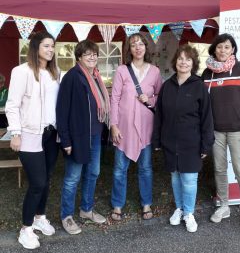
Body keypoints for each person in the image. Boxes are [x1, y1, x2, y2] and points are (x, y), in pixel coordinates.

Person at [5, 31, 60, 249]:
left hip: (51, 133)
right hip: (29, 134)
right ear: (36, 47)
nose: (50, 50)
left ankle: (39, 217)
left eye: (52, 46)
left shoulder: (55, 73)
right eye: (46, 46)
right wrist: (16, 133)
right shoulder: (21, 72)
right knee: (37, 183)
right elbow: (12, 105)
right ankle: (25, 229)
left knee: (46, 180)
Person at [201, 33, 240, 236]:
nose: (223, 50)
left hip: (238, 131)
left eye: (227, 47)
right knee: (219, 169)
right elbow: (203, 104)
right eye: (219, 47)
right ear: (214, 50)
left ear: (233, 49)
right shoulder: (207, 73)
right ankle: (224, 205)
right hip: (216, 131)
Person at [152, 44, 214, 232]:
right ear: (175, 62)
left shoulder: (199, 86)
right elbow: (159, 115)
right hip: (170, 141)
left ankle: (189, 213)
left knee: (189, 179)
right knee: (175, 177)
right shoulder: (167, 86)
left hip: (191, 142)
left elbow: (206, 118)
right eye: (180, 58)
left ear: (193, 63)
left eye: (188, 59)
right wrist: (157, 140)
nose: (183, 62)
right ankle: (179, 209)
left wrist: (205, 145)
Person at [56, 39, 110, 235]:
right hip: (78, 137)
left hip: (95, 135)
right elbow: (61, 110)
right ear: (79, 56)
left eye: (95, 53)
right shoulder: (72, 76)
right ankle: (67, 216)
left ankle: (86, 210)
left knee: (93, 173)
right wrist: (66, 139)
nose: (92, 56)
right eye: (88, 54)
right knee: (72, 178)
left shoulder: (96, 76)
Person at [110, 33, 162, 221]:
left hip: (146, 127)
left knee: (146, 168)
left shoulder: (155, 72)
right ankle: (117, 205)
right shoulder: (122, 71)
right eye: (133, 45)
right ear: (129, 49)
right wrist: (113, 125)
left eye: (141, 44)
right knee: (119, 169)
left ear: (146, 47)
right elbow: (114, 99)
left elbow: (160, 97)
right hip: (123, 128)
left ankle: (146, 203)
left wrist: (150, 99)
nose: (138, 47)